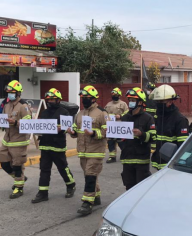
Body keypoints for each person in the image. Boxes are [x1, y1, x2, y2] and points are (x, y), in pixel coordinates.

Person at [67, 85, 108, 216]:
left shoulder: (102, 113)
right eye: (83, 98)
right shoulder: (80, 114)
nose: (84, 100)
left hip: (96, 151)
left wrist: (94, 133)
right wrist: (72, 132)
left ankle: (87, 202)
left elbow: (108, 131)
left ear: (94, 99)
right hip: (83, 152)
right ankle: (96, 197)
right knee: (89, 175)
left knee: (90, 174)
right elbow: (76, 128)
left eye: (87, 98)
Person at [32, 88, 76, 203]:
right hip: (45, 145)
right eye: (48, 99)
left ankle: (71, 185)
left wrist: (61, 128)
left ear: (58, 100)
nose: (50, 101)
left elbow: (68, 128)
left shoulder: (64, 112)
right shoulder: (45, 112)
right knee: (44, 170)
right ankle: (42, 193)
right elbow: (40, 127)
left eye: (52, 99)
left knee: (62, 168)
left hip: (57, 145)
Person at [117, 87, 156, 190]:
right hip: (127, 159)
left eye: (133, 100)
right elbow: (121, 137)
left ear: (140, 102)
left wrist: (141, 134)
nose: (130, 103)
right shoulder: (125, 117)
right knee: (129, 188)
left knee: (141, 189)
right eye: (129, 100)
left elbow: (153, 137)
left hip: (141, 161)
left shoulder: (148, 118)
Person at [0, 80, 31, 199]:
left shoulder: (24, 106)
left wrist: (16, 122)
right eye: (8, 92)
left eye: (12, 92)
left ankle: (19, 187)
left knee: (17, 165)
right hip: (7, 139)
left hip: (19, 141)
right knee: (4, 163)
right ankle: (21, 178)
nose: (9, 94)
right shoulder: (7, 105)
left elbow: (28, 124)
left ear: (18, 93)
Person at [151, 85, 189, 170]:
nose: (159, 104)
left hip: (171, 166)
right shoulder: (159, 116)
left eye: (161, 102)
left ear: (170, 102)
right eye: (157, 102)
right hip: (159, 162)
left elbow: (183, 147)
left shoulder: (180, 120)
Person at [104, 87, 128, 163]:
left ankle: (124, 155)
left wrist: (120, 116)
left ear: (119, 95)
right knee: (110, 142)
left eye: (115, 94)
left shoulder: (123, 104)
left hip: (119, 126)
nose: (114, 95)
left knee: (121, 141)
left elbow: (127, 113)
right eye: (113, 94)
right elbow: (104, 113)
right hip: (111, 126)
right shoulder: (108, 104)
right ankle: (112, 156)